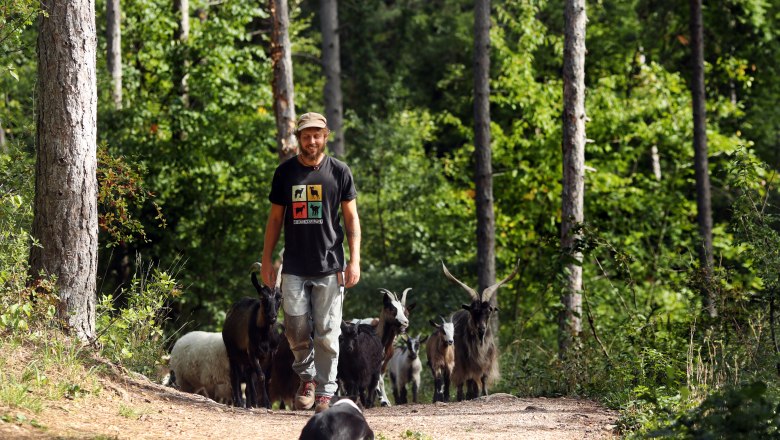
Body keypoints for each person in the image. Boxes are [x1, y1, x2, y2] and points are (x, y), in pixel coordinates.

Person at [261, 112, 361, 413]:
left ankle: (325, 392)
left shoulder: (340, 172)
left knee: (328, 332)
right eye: (306, 136)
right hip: (293, 265)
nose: (312, 141)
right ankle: (306, 378)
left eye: (317, 135)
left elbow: (351, 218)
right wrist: (267, 260)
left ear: (325, 136)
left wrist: (354, 260)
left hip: (330, 265)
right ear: (299, 139)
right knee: (294, 328)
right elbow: (275, 219)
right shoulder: (285, 173)